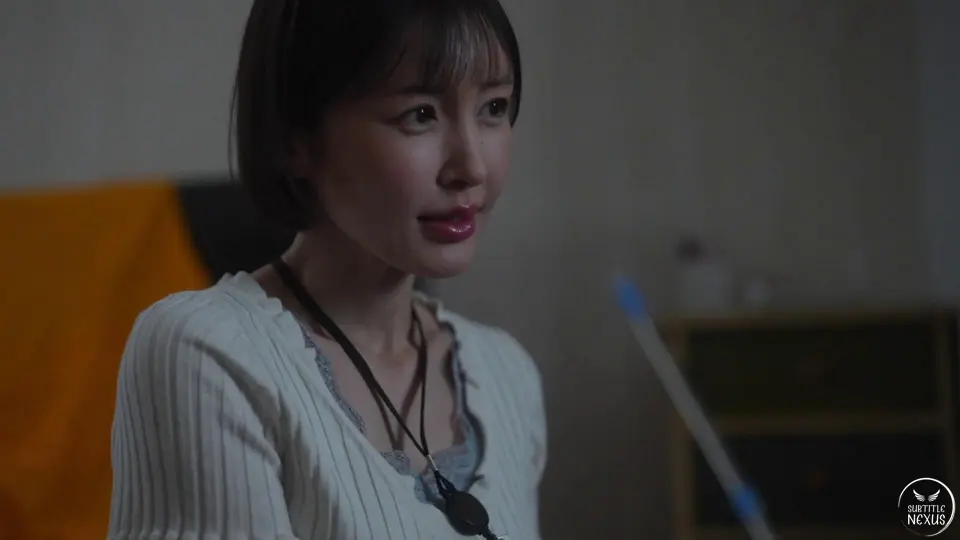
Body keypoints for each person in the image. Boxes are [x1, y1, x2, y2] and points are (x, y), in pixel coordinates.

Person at [107, 1, 547, 539]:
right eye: (420, 115)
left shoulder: (506, 374)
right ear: (297, 138)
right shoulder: (208, 355)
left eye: (494, 107)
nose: (472, 167)